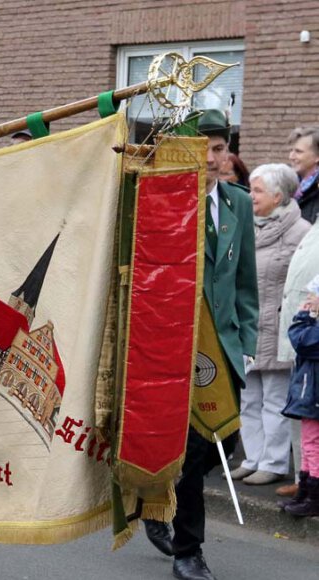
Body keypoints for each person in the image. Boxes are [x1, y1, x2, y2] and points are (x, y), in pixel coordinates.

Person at [143, 109, 258, 580]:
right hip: (172, 351)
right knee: (192, 450)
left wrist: (247, 340)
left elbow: (246, 282)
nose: (214, 158)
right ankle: (188, 551)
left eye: (220, 147)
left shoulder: (239, 203)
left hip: (224, 351)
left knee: (225, 443)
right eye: (205, 148)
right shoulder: (161, 201)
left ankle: (153, 496)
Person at [227, 164, 310, 487]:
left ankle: (273, 462)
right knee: (248, 398)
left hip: (278, 330)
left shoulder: (300, 232)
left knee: (275, 399)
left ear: (278, 196)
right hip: (249, 328)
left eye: (258, 190)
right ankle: (252, 458)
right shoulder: (247, 226)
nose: (251, 196)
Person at [282, 279, 319, 517]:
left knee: (313, 444)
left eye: (313, 296)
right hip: (311, 393)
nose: (309, 301)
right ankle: (306, 490)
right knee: (308, 442)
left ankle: (314, 496)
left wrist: (304, 317)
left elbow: (303, 342)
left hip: (314, 394)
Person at [289, 127, 319, 223]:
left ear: (317, 157)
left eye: (298, 152)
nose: (291, 157)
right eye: (291, 150)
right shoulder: (286, 185)